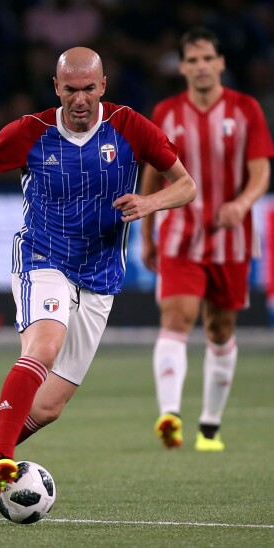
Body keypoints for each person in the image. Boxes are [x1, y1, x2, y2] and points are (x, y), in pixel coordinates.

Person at [0, 46, 196, 524]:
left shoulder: (131, 126)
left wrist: (151, 203)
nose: (80, 100)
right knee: (45, 344)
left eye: (89, 89)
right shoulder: (30, 132)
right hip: (42, 258)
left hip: (100, 274)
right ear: (56, 88)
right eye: (70, 89)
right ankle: (5, 459)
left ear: (103, 86)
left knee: (50, 406)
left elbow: (186, 185)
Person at [141, 27, 273, 452]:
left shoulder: (245, 108)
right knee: (176, 319)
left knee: (220, 329)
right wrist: (145, 231)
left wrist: (244, 202)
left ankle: (210, 427)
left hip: (231, 239)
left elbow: (260, 171)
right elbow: (151, 174)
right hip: (178, 235)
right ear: (181, 67)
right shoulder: (166, 112)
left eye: (207, 59)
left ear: (221, 63)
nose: (200, 67)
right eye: (192, 60)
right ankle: (170, 414)